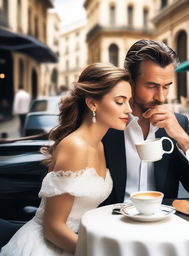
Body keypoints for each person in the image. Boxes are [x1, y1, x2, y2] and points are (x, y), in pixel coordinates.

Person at [0, 63, 132, 255]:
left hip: (77, 240)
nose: (129, 109)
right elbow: (53, 228)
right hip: (48, 246)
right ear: (92, 103)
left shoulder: (100, 145)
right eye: (120, 102)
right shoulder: (75, 147)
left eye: (129, 101)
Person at [102, 39, 189, 205]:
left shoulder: (178, 123)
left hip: (162, 224)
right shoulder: (107, 123)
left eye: (166, 86)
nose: (161, 97)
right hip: (115, 222)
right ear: (130, 79)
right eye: (152, 86)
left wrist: (183, 138)